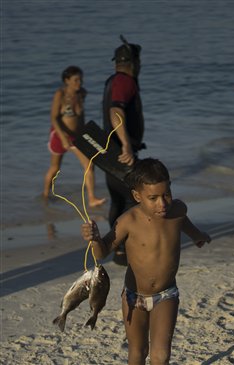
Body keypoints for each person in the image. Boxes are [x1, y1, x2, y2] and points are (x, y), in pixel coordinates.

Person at [81, 158, 211, 365]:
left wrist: (199, 236)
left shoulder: (177, 211)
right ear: (137, 196)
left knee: (161, 356)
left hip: (166, 294)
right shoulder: (127, 221)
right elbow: (101, 252)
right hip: (134, 297)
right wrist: (95, 239)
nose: (162, 203)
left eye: (166, 194)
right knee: (138, 351)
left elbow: (186, 225)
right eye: (153, 198)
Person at [102, 36, 145, 265]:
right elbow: (115, 111)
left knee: (118, 200)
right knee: (133, 201)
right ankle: (127, 250)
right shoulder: (124, 81)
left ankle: (118, 252)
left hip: (109, 151)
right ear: (134, 62)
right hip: (121, 151)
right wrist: (127, 145)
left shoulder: (112, 80)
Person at [43, 66, 106, 208]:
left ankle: (91, 199)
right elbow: (54, 118)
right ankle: (45, 196)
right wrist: (63, 137)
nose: (80, 82)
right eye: (76, 80)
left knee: (89, 164)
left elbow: (80, 117)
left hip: (76, 137)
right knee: (55, 168)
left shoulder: (82, 93)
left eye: (81, 79)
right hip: (60, 135)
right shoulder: (60, 94)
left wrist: (84, 134)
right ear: (67, 80)